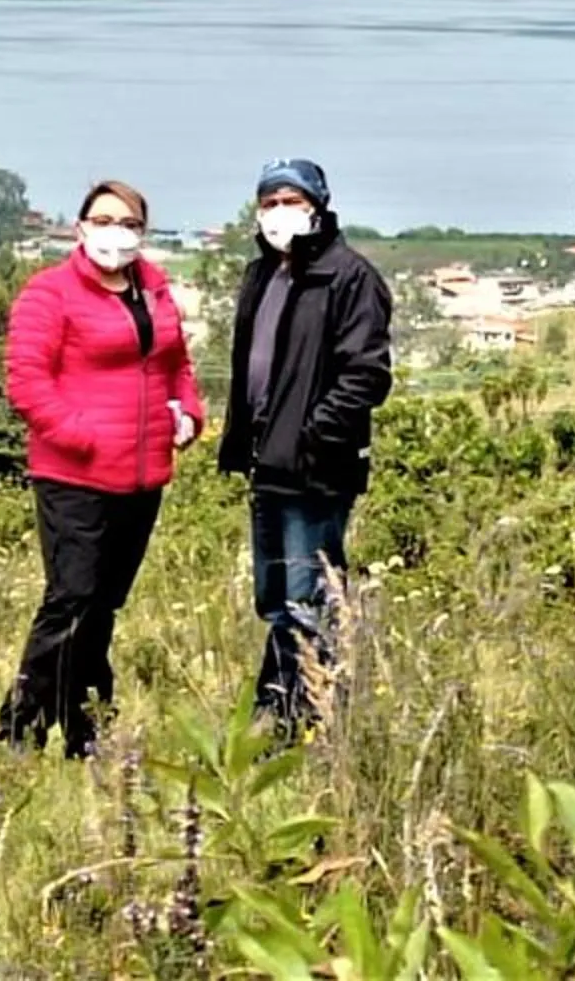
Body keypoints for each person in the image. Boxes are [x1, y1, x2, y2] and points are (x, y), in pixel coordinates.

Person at [0, 180, 205, 757]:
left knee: (103, 606)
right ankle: (21, 731)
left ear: (143, 231)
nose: (117, 231)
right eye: (105, 219)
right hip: (75, 476)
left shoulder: (154, 290)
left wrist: (188, 412)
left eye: (130, 222)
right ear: (81, 226)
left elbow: (176, 366)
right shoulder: (49, 295)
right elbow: (27, 383)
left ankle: (87, 730)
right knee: (70, 600)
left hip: (141, 478)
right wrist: (81, 436)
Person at [220, 158, 394, 736]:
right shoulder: (262, 277)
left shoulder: (348, 277)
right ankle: (281, 713)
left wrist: (315, 432)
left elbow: (366, 376)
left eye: (290, 201)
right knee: (275, 599)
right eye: (268, 202)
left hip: (317, 469)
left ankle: (297, 721)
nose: (278, 213)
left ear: (318, 206)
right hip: (267, 465)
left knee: (307, 598)